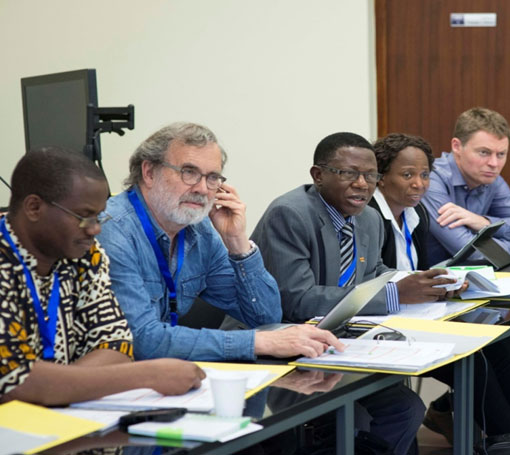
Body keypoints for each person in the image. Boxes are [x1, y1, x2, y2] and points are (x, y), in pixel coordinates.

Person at [252, 132, 463, 455]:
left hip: (340, 342)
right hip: (282, 346)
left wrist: (425, 284)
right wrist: (395, 294)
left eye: (370, 175)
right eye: (349, 173)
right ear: (318, 175)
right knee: (356, 416)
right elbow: (295, 299)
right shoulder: (290, 214)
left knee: (406, 409)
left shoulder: (368, 219)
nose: (362, 184)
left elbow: (374, 273)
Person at [97, 122, 343, 362]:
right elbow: (140, 340)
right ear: (149, 172)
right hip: (110, 380)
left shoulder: (198, 229)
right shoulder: (112, 231)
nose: (203, 189)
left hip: (163, 373)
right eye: (189, 172)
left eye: (213, 177)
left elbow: (265, 317)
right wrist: (258, 343)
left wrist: (237, 242)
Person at [368, 133, 510, 448]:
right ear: (381, 178)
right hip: (385, 321)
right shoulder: (369, 218)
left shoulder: (415, 214)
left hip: (421, 312)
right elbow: (377, 281)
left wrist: (443, 281)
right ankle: (508, 439)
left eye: (424, 175)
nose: (419, 184)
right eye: (408, 175)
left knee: (497, 341)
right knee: (476, 356)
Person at [0, 148, 205, 406]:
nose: (95, 229)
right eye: (84, 217)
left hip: (64, 422)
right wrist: (148, 374)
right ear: (34, 207)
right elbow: (16, 380)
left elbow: (116, 343)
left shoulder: (87, 256)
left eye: (98, 216)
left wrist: (55, 387)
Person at [422, 107, 510, 267]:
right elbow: (470, 252)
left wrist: (485, 223)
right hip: (427, 283)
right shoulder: (431, 179)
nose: (494, 164)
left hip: (470, 280)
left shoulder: (491, 179)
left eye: (501, 154)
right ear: (457, 146)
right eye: (484, 152)